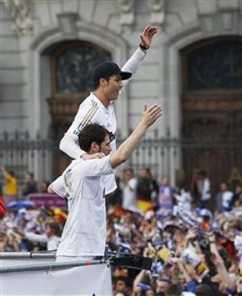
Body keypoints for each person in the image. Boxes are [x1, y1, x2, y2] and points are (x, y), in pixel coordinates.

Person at [48, 104, 162, 262]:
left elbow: (51, 189)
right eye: (107, 144)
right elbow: (121, 156)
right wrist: (144, 124)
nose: (110, 149)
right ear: (94, 147)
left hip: (75, 249)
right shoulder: (88, 166)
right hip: (81, 252)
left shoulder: (74, 166)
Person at [59, 25, 158, 196]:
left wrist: (142, 50)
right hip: (90, 185)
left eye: (121, 81)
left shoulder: (108, 101)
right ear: (103, 83)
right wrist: (85, 156)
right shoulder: (91, 108)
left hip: (103, 183)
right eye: (117, 80)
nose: (121, 85)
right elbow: (65, 142)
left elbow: (128, 71)